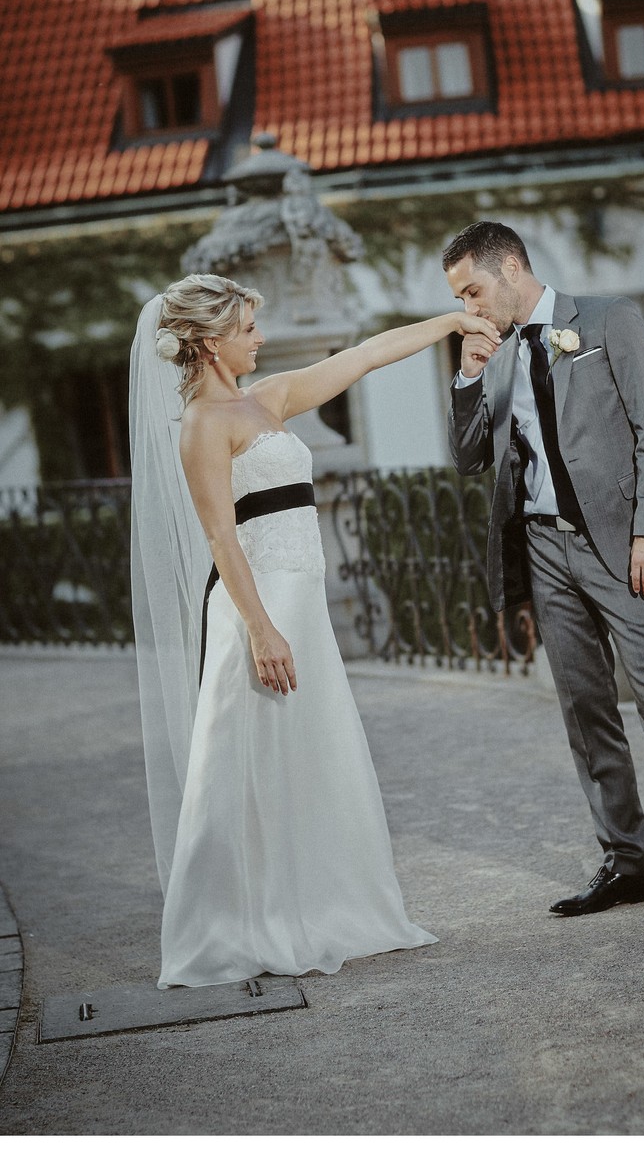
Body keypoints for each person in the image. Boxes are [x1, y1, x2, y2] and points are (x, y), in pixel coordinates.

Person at [129, 272, 500, 987]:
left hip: (303, 604)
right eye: (246, 330)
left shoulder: (268, 400)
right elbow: (221, 541)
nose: (259, 339)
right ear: (209, 344)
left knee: (315, 749)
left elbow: (362, 356)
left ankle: (331, 901)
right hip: (256, 612)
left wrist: (448, 326)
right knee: (247, 763)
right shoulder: (203, 428)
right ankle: (238, 920)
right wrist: (262, 631)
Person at [444, 221, 644, 925]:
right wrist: (470, 375)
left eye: (474, 290)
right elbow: (469, 457)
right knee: (586, 715)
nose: (471, 307)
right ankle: (626, 865)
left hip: (624, 548)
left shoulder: (611, 320)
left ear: (511, 266)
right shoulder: (502, 353)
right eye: (461, 297)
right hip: (545, 552)